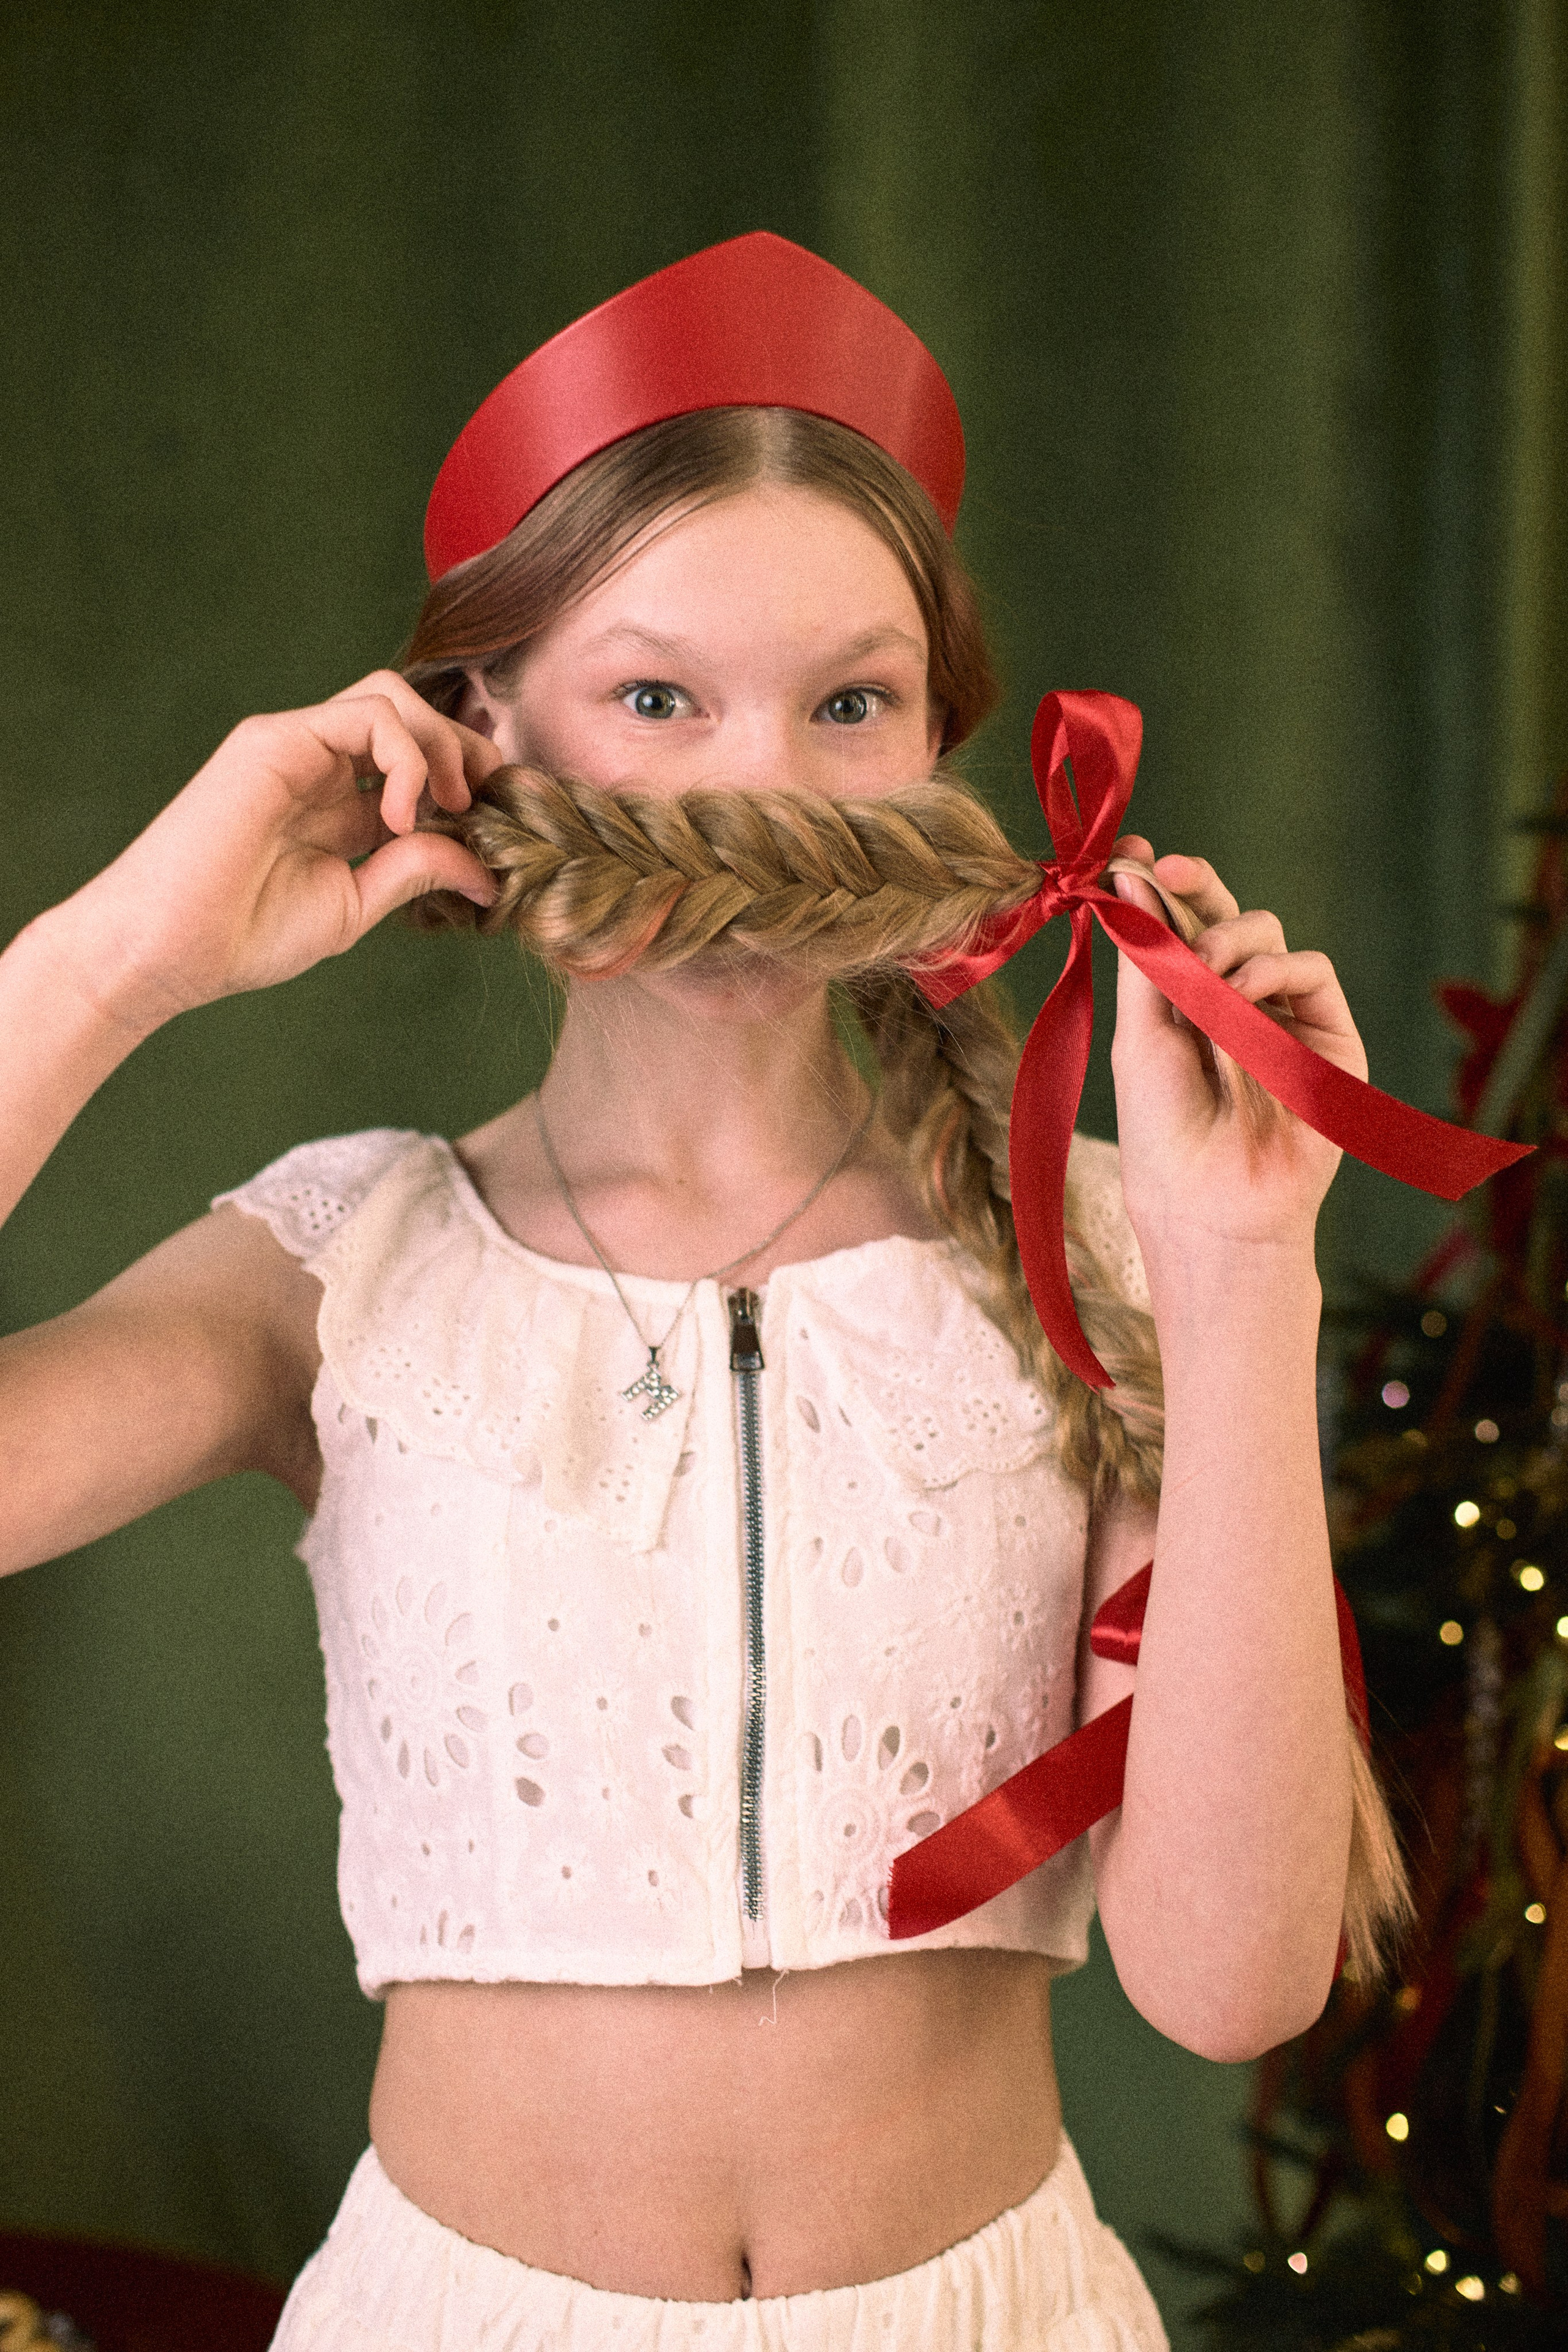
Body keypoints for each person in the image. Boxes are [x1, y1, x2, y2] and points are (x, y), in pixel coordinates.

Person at [1, 234, 1414, 2350]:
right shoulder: (341, 1267)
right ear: (484, 729)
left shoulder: (1104, 1245)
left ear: (937, 750)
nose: (766, 788)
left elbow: (1235, 1985)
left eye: (850, 703)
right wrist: (112, 960)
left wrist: (1244, 1273)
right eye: (659, 698)